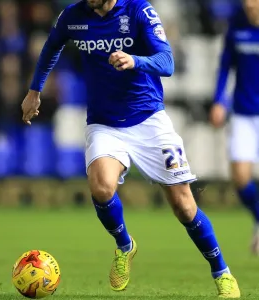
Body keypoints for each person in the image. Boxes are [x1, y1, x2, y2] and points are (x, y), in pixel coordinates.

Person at [21, 0, 240, 297]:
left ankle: (221, 272)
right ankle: (124, 245)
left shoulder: (139, 11)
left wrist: (135, 60)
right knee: (101, 187)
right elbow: (51, 47)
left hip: (148, 120)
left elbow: (167, 62)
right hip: (104, 123)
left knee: (184, 206)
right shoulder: (74, 15)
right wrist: (35, 91)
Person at [210, 0, 259, 255]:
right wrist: (219, 100)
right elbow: (226, 64)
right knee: (240, 179)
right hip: (242, 113)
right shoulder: (236, 23)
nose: (250, 5)